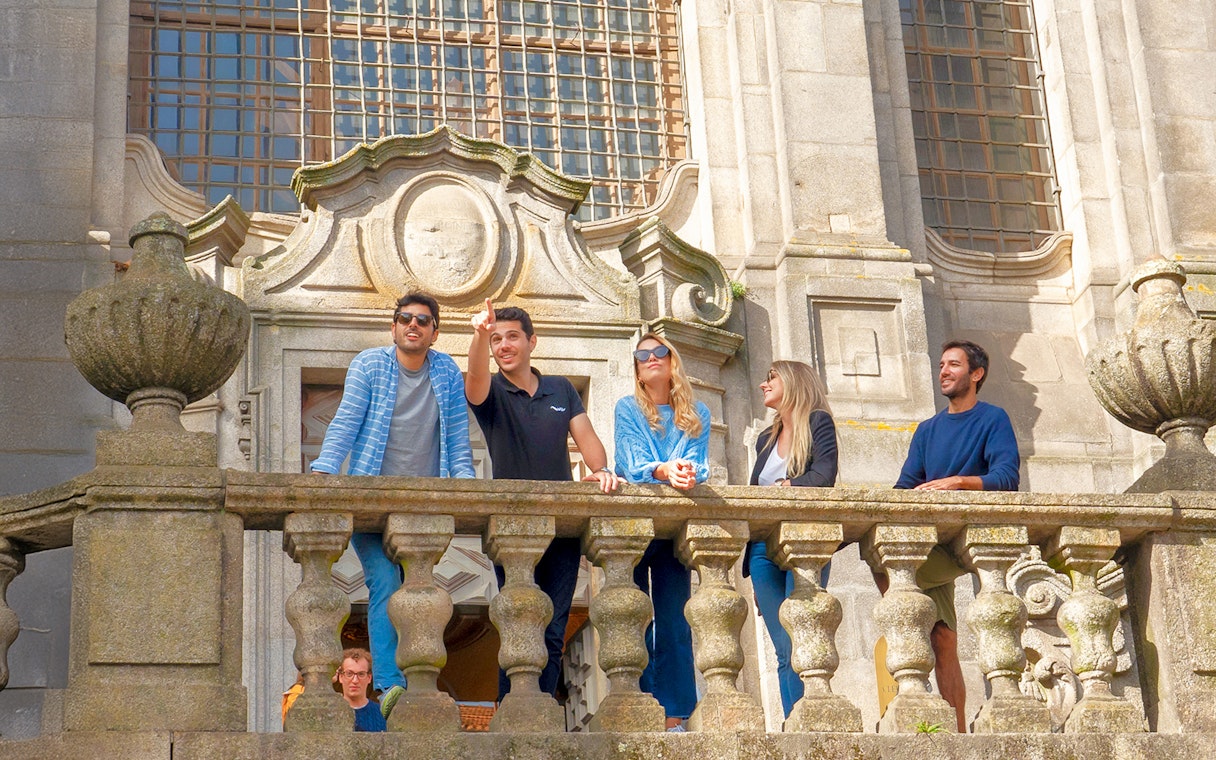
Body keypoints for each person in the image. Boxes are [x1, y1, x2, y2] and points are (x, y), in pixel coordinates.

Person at [310, 293, 476, 718]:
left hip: (422, 506)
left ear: (435, 331)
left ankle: (415, 675)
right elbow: (346, 420)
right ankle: (388, 684)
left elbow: (457, 438)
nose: (413, 326)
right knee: (385, 582)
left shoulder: (446, 372)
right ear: (394, 326)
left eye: (423, 320)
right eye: (405, 319)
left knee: (416, 588)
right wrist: (324, 471)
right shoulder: (370, 364)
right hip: (371, 497)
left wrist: (467, 490)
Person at [465, 299, 619, 699]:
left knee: (553, 631)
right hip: (512, 530)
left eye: (511, 336)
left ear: (532, 341)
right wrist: (479, 335)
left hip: (562, 532)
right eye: (496, 339)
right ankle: (511, 714)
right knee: (519, 626)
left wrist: (600, 470)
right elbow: (475, 381)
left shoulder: (561, 389)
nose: (503, 345)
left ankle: (543, 714)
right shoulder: (493, 391)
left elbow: (590, 446)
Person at [891, 339, 1019, 732]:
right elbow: (904, 486)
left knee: (929, 627)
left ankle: (906, 618)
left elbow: (1007, 478)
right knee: (943, 641)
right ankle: (958, 731)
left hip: (968, 540)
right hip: (928, 544)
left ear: (976, 374)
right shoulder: (927, 429)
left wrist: (959, 483)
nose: (943, 371)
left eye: (953, 365)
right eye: (941, 365)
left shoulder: (993, 418)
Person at [614, 332, 710, 730]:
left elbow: (696, 462)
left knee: (674, 621)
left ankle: (676, 713)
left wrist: (682, 471)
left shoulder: (696, 412)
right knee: (633, 619)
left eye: (659, 352)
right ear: (636, 368)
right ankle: (641, 706)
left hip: (673, 527)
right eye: (642, 354)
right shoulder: (627, 408)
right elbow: (630, 458)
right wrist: (664, 469)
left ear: (672, 361)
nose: (651, 358)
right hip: (633, 523)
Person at [743, 361, 838, 720]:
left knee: (803, 638)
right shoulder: (765, 438)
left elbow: (823, 476)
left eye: (771, 378)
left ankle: (811, 720)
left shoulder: (817, 422)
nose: (763, 384)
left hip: (804, 543)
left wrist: (788, 486)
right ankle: (793, 721)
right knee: (783, 647)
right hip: (762, 550)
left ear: (793, 382)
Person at [335, 648, 387, 732]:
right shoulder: (330, 712)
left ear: (369, 678)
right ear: (341, 677)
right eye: (349, 674)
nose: (355, 680)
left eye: (361, 674)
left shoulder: (383, 714)